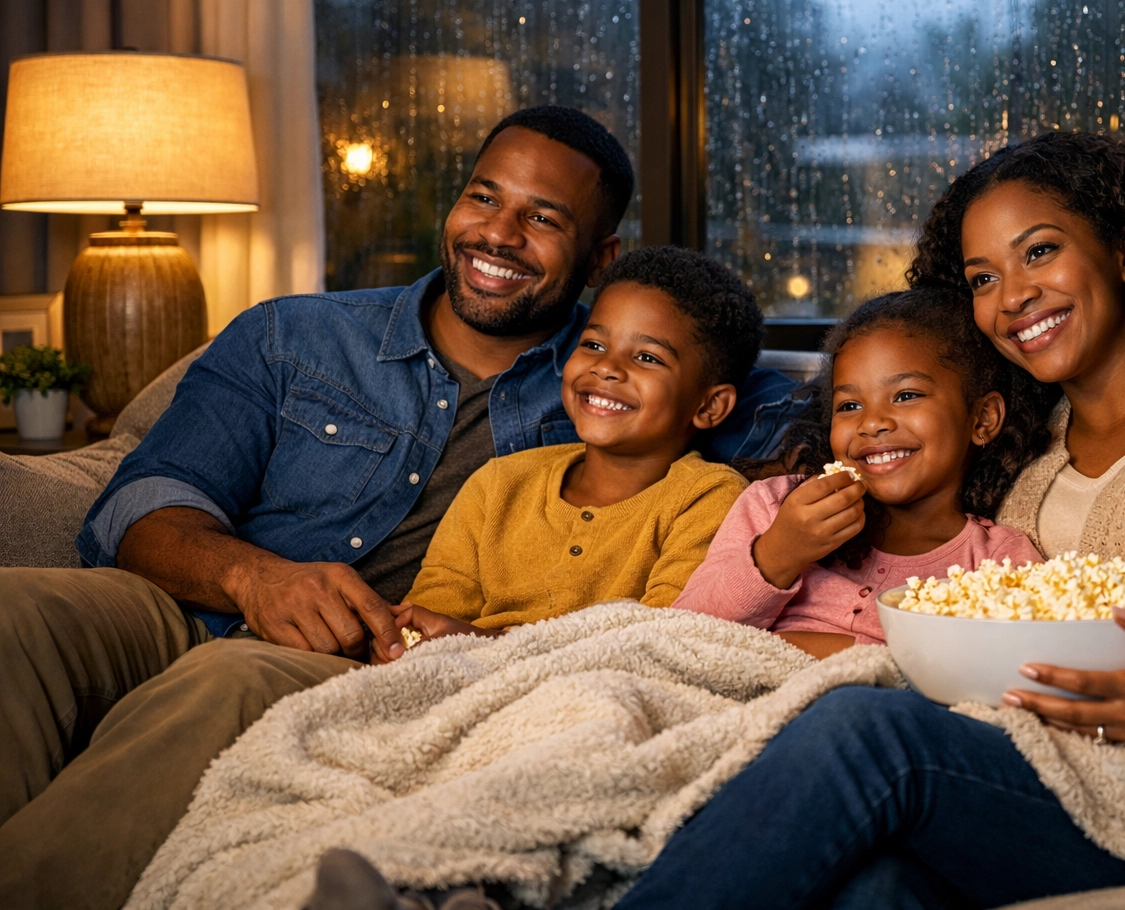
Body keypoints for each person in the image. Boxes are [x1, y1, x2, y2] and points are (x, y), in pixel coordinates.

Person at [613, 131, 1125, 909]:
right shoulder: (1014, 457)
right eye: (981, 279)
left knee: (866, 734)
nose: (1012, 297)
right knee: (874, 888)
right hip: (1028, 774)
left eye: (1039, 251)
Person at [0, 108, 799, 909]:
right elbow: (141, 497)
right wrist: (253, 579)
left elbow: (802, 414)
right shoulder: (292, 336)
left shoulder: (607, 388)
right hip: (179, 604)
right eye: (483, 198)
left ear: (599, 258)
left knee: (226, 676)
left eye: (543, 218)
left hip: (342, 657)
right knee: (18, 609)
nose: (498, 233)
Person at [391, 245, 756, 647]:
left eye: (647, 357)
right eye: (594, 345)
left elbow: (660, 640)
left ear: (709, 405)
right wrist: (409, 638)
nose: (606, 368)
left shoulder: (708, 498)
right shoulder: (498, 483)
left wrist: (483, 640)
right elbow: (430, 614)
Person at [675, 289, 1042, 659]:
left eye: (906, 395)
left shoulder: (1000, 563)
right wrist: (779, 553)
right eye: (849, 405)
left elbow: (1010, 671)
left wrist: (840, 651)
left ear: (982, 418)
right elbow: (682, 632)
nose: (872, 423)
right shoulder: (773, 505)